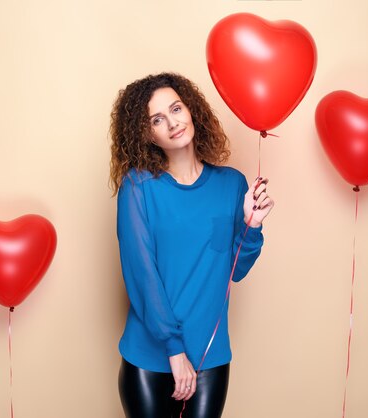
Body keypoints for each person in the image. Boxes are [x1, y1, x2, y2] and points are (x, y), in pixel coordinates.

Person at [109, 73, 274, 418]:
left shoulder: (231, 186)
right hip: (150, 358)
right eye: (157, 119)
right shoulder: (138, 188)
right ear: (145, 133)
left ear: (191, 110)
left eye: (176, 108)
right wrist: (173, 348)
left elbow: (234, 271)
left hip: (210, 357)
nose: (172, 123)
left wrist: (251, 227)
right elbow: (142, 274)